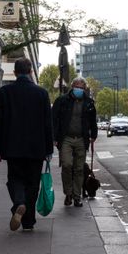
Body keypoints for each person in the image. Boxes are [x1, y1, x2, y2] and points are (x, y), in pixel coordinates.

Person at [0, 58, 53, 231]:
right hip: (36, 148)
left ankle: (19, 203)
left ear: (15, 72)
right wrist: (49, 149)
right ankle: (28, 221)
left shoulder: (4, 92)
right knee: (33, 183)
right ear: (30, 72)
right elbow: (47, 124)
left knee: (14, 179)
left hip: (12, 147)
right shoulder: (41, 93)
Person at [52, 76, 98, 207]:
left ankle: (77, 196)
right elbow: (54, 119)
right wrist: (55, 138)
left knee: (79, 168)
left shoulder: (89, 103)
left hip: (81, 139)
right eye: (77, 87)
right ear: (72, 87)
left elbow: (92, 121)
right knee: (66, 165)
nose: (79, 89)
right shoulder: (62, 101)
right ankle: (68, 193)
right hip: (66, 138)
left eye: (82, 88)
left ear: (85, 89)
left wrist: (93, 135)